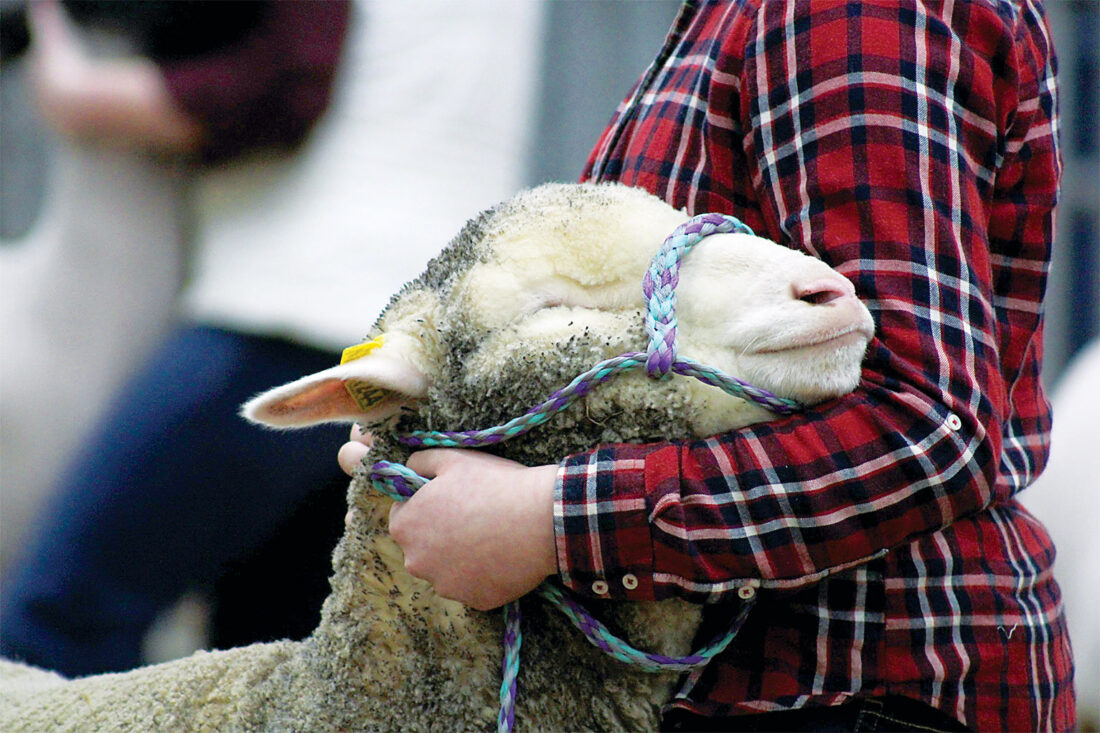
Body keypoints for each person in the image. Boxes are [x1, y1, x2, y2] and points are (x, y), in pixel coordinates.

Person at [340, 1, 1076, 730]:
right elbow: (640, 362)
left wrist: (549, 520)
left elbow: (923, 421)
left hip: (853, 683)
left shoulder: (846, 12)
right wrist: (446, 441)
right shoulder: (733, 18)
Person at [1, 0, 545, 675]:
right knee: (271, 661)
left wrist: (76, 93)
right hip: (428, 335)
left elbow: (283, 85)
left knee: (58, 619)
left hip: (292, 315)